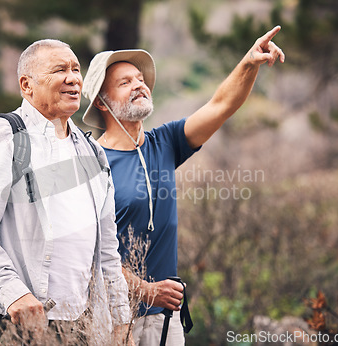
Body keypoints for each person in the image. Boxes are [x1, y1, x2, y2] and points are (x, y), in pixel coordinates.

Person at [82, 26, 285, 345]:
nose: (139, 85)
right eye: (125, 82)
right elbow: (88, 252)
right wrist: (147, 290)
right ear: (103, 104)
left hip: (166, 319)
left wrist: (248, 63)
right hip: (113, 319)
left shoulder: (165, 142)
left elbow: (221, 105)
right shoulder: (90, 161)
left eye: (140, 79)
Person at [0, 39, 132, 345]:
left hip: (77, 324)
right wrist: (14, 293)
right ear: (26, 85)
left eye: (76, 69)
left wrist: (120, 318)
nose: (74, 77)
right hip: (5, 318)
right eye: (60, 69)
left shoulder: (92, 152)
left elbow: (107, 250)